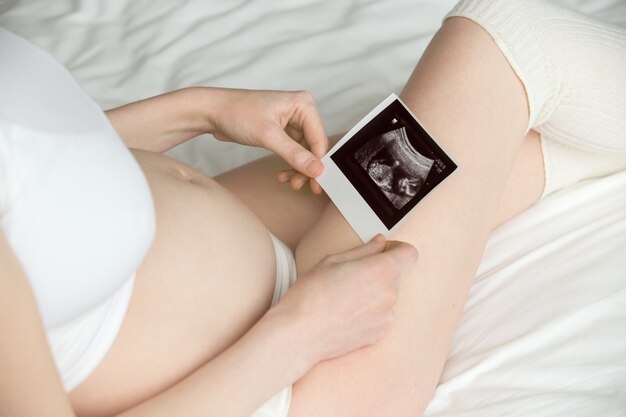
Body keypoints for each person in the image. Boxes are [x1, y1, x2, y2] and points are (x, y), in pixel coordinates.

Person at [1, 1, 625, 417]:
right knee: (504, 41)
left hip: (248, 242)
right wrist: (299, 333)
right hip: (290, 385)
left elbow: (31, 159)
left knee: (497, 146)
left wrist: (196, 111)